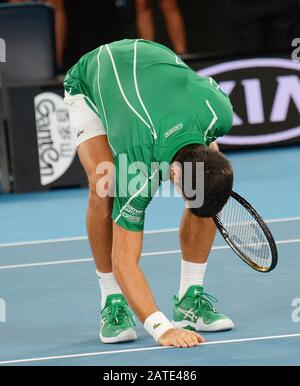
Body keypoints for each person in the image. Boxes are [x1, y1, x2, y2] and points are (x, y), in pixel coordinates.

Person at [64, 39, 234, 348]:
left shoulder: (218, 113)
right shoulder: (136, 164)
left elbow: (199, 100)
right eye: (184, 189)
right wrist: (161, 328)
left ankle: (189, 300)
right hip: (93, 78)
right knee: (105, 185)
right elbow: (124, 259)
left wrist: (206, 159)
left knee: (208, 189)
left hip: (153, 64)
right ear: (172, 173)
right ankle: (111, 300)